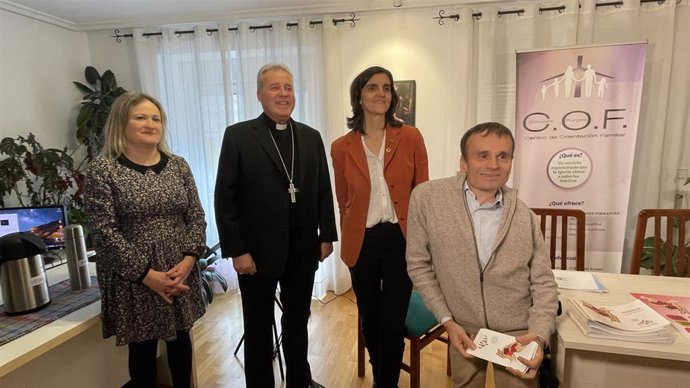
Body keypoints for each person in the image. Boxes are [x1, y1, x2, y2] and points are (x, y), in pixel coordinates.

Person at [406, 122, 558, 388]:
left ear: (512, 161)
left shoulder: (526, 218)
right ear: (463, 162)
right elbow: (418, 266)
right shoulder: (428, 199)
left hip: (518, 332)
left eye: (503, 156)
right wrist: (446, 320)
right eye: (482, 155)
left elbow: (543, 282)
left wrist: (539, 336)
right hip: (463, 328)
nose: (493, 165)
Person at [214, 63, 337, 388]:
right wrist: (238, 250)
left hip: (302, 249)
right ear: (259, 95)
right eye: (275, 87)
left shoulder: (310, 137)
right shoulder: (238, 135)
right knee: (257, 327)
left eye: (288, 87)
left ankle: (300, 380)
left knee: (297, 321)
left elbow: (324, 188)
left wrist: (326, 236)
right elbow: (224, 197)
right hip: (255, 252)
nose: (283, 93)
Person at [85, 91, 207, 388]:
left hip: (179, 270)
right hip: (135, 279)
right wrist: (146, 275)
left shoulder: (178, 165)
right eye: (140, 117)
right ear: (121, 123)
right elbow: (103, 231)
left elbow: (196, 215)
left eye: (156, 118)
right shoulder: (104, 170)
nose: (150, 124)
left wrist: (189, 261)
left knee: (181, 342)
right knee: (143, 351)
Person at [331, 66, 429, 388]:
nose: (380, 94)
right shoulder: (341, 146)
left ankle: (385, 384)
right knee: (371, 320)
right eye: (372, 87)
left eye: (386, 88)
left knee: (393, 321)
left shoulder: (410, 137)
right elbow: (343, 198)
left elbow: (422, 189)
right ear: (358, 95)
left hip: (402, 240)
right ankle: (382, 377)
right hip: (363, 242)